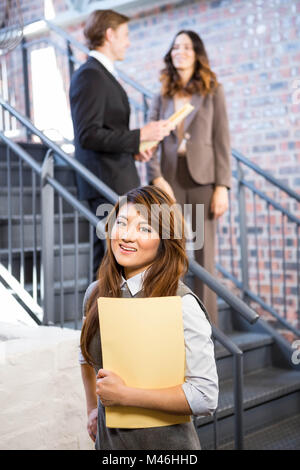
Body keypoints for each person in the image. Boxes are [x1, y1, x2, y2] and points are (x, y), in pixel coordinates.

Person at [78, 185, 218, 450]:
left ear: (165, 241)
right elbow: (85, 357)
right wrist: (92, 409)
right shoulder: (95, 294)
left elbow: (205, 396)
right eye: (122, 223)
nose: (127, 236)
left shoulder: (182, 303)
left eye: (145, 228)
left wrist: (124, 395)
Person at [69, 10, 172, 279]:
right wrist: (139, 135)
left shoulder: (102, 74)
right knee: (108, 262)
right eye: (125, 35)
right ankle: (100, 320)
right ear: (109, 34)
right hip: (105, 183)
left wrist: (134, 148)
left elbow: (107, 131)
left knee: (117, 262)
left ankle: (114, 319)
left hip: (116, 179)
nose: (128, 42)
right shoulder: (89, 75)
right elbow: (88, 134)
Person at [146, 30, 232, 326]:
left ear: (197, 54)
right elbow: (151, 143)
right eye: (175, 47)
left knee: (204, 257)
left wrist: (222, 186)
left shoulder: (212, 91)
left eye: (186, 47)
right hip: (169, 180)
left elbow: (222, 140)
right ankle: (172, 325)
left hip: (203, 181)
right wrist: (156, 178)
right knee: (169, 253)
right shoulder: (161, 95)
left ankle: (207, 330)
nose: (179, 51)